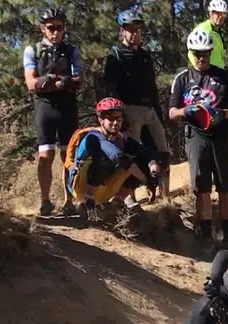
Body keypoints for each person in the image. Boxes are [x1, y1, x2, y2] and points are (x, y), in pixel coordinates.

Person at [170, 28, 228, 254]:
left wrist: (223, 114)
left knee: (226, 188)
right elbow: (171, 112)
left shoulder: (224, 76)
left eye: (205, 53)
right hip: (196, 136)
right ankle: (206, 236)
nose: (201, 58)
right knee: (202, 188)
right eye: (197, 53)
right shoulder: (182, 78)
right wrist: (186, 111)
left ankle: (227, 236)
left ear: (211, 53)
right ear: (190, 53)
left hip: (221, 136)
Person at [103, 7, 169, 203]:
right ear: (121, 31)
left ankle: (165, 198)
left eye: (138, 29)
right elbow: (111, 88)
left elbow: (152, 84)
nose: (135, 33)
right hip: (129, 110)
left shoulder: (145, 54)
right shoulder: (115, 55)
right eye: (130, 29)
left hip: (150, 109)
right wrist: (119, 116)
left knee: (162, 152)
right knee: (132, 154)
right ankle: (129, 198)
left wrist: (157, 109)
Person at [23, 8, 83, 217]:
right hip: (45, 106)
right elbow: (31, 83)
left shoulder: (72, 50)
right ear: (43, 29)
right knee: (45, 155)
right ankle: (45, 200)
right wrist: (59, 82)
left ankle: (69, 200)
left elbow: (79, 81)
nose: (56, 32)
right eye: (51, 28)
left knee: (68, 154)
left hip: (67, 106)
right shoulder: (33, 50)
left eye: (59, 27)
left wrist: (49, 82)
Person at [64, 97, 161, 220]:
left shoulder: (120, 138)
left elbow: (144, 152)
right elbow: (117, 156)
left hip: (103, 187)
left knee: (141, 161)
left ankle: (116, 204)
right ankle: (88, 204)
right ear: (100, 120)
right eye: (111, 119)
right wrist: (145, 180)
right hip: (80, 186)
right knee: (105, 158)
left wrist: (153, 166)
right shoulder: (93, 137)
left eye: (119, 119)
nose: (115, 123)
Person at [188, 0, 228, 70]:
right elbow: (191, 53)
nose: (220, 16)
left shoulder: (219, 31)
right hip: (207, 72)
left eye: (223, 14)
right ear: (210, 13)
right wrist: (200, 70)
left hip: (218, 72)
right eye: (218, 13)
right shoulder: (203, 30)